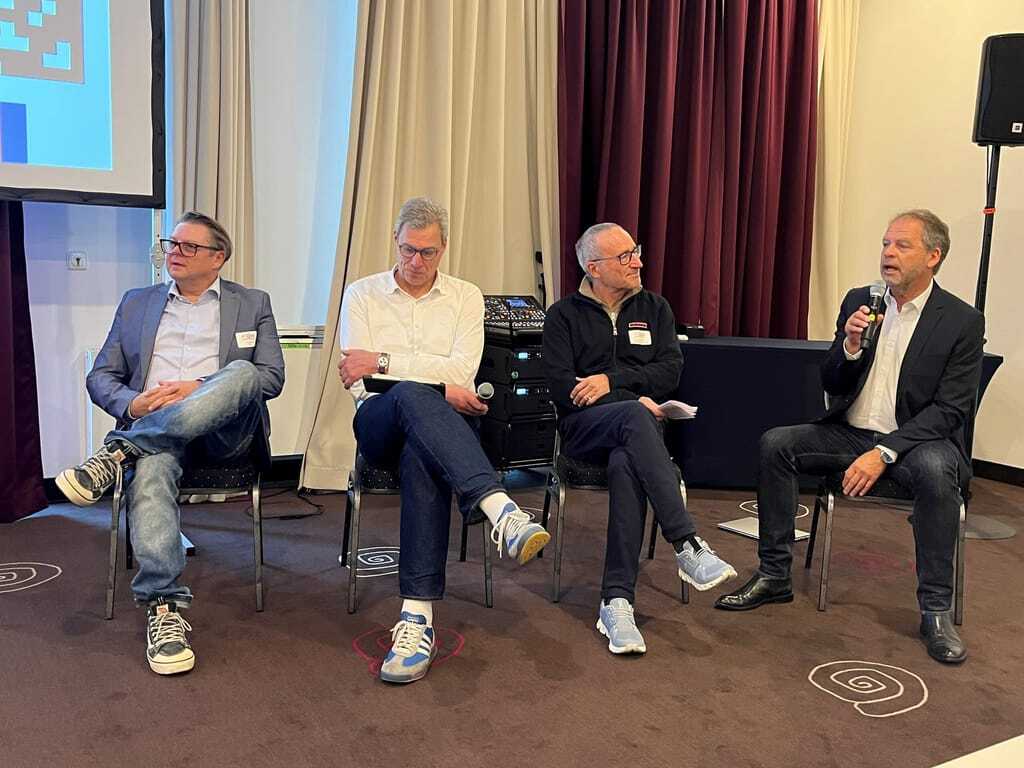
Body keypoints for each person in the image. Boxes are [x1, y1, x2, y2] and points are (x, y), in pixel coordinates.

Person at [715, 209, 984, 665]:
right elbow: (833, 381)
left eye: (902, 245)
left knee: (939, 472)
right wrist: (850, 346)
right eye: (885, 244)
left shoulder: (961, 320)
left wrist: (886, 451)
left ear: (933, 256)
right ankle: (774, 574)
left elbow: (951, 410)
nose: (888, 253)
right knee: (776, 444)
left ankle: (936, 610)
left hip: (917, 443)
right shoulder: (862, 301)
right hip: (849, 433)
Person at [56, 211, 285, 676]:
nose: (174, 253)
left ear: (218, 257)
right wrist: (134, 403)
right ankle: (164, 607)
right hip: (156, 428)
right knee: (154, 464)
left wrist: (199, 387)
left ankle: (120, 451)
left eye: (188, 246)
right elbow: (101, 376)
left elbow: (270, 377)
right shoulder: (137, 302)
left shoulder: (252, 302)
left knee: (242, 372)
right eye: (171, 244)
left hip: (224, 435)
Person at [337, 196, 549, 684]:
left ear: (444, 248)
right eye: (408, 250)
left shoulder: (465, 297)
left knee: (423, 453)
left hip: (439, 429)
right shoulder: (362, 294)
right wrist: (425, 382)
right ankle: (499, 508)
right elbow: (360, 378)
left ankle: (417, 617)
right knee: (413, 395)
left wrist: (384, 362)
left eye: (428, 252)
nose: (416, 262)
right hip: (377, 421)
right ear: (395, 241)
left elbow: (461, 373)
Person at [542, 222, 737, 656]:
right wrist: (632, 400)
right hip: (583, 429)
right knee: (634, 418)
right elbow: (561, 387)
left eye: (636, 251)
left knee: (626, 461)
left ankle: (616, 602)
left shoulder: (656, 308)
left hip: (638, 434)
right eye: (625, 256)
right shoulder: (563, 315)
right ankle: (686, 543)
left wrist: (612, 382)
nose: (638, 262)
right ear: (594, 267)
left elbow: (670, 371)